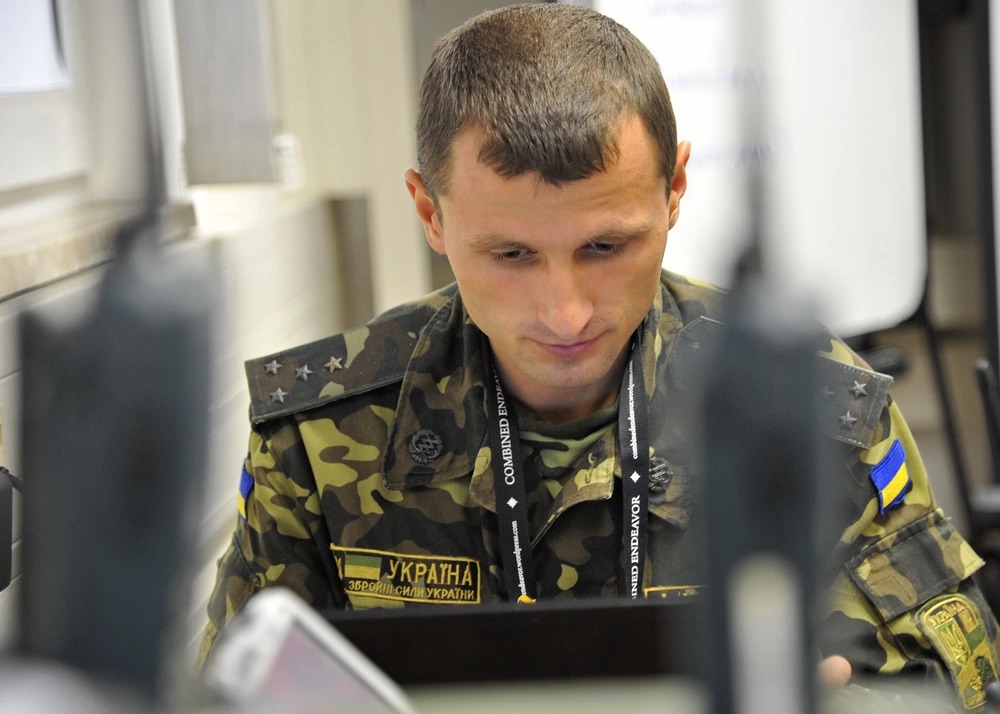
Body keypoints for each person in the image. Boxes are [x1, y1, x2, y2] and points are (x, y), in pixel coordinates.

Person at [199, 3, 1000, 708]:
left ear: (675, 188)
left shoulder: (799, 411)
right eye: (510, 254)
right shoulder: (325, 431)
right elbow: (235, 690)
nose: (565, 312)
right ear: (429, 213)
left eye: (606, 245)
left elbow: (948, 681)